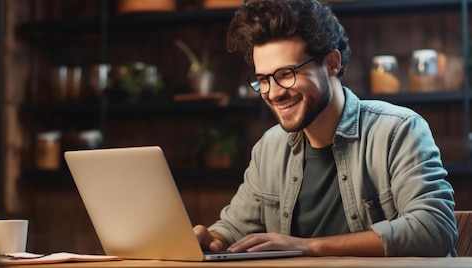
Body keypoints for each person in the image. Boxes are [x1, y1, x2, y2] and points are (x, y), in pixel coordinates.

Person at [194, 0, 457, 257]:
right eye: (263, 79)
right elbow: (234, 227)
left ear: (332, 63)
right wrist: (212, 240)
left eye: (286, 74)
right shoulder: (269, 147)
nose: (273, 93)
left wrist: (308, 246)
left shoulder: (397, 130)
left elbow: (434, 228)